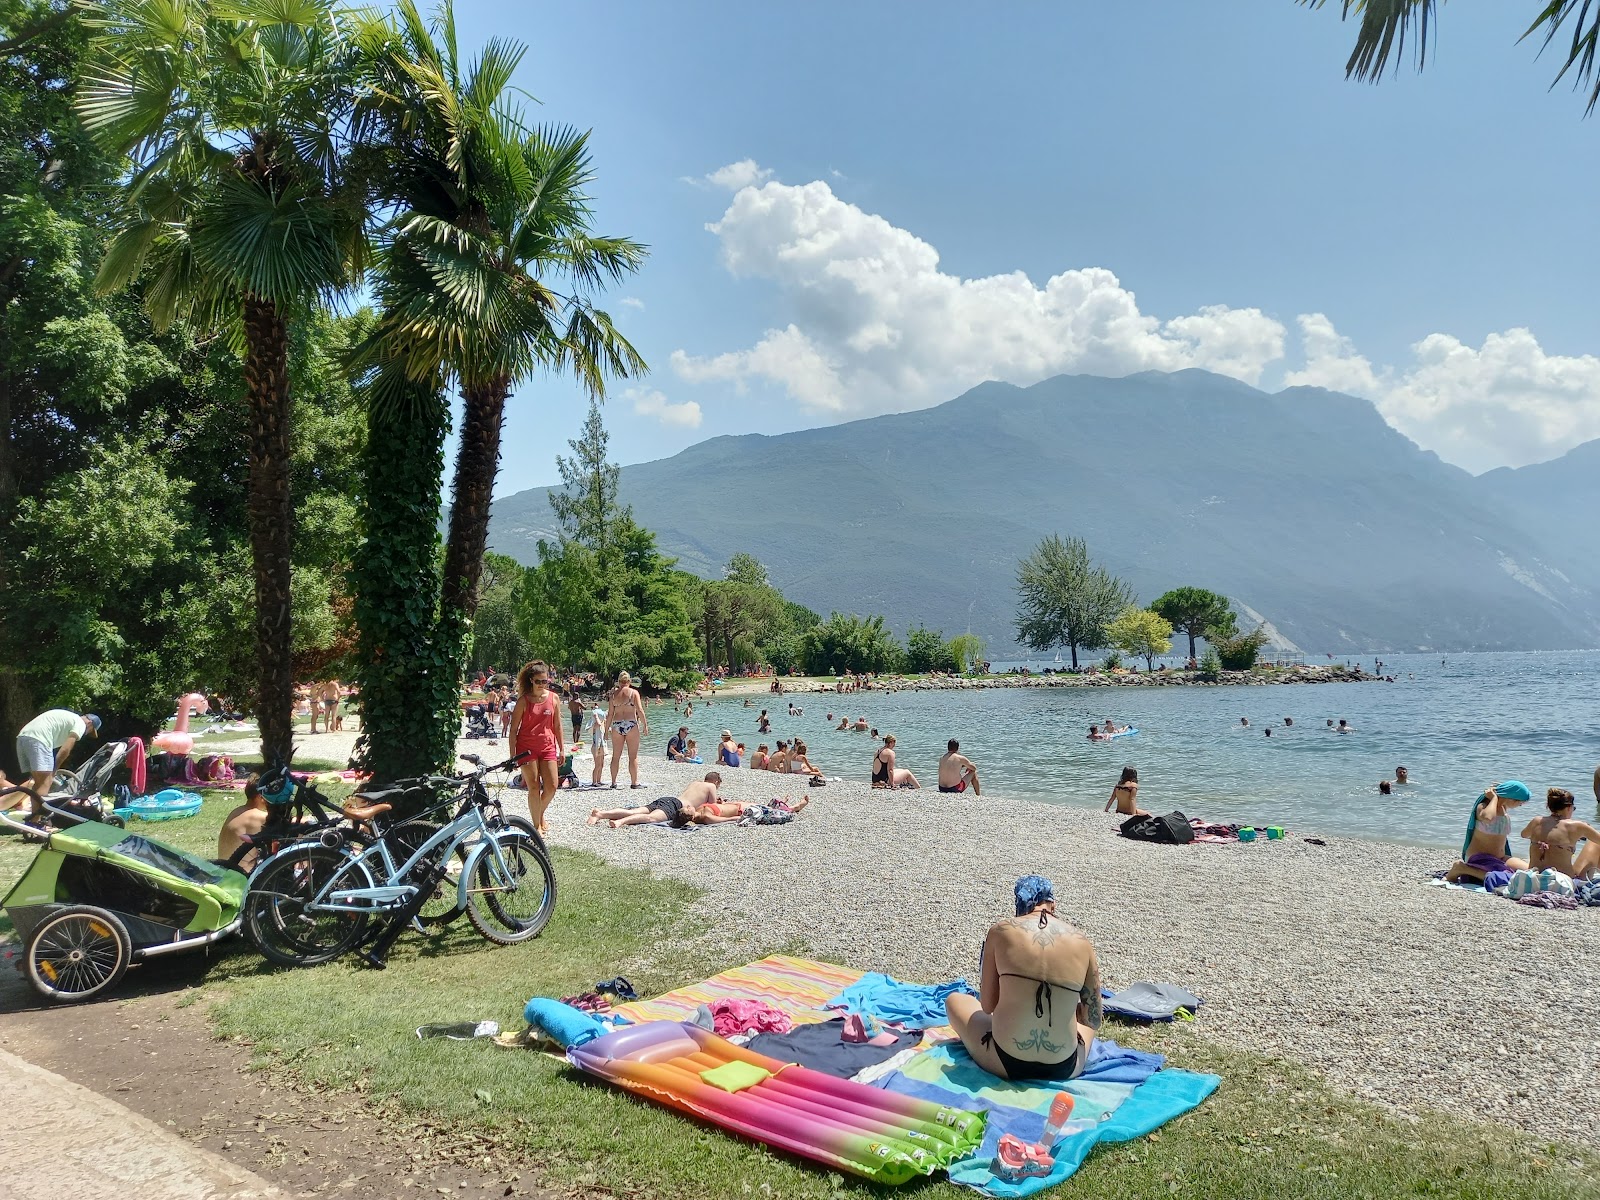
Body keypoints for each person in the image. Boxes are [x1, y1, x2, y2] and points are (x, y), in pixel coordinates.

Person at [946, 876, 1101, 1082]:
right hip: (1064, 1067)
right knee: (1084, 1027)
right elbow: (1094, 1018)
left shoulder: (1000, 931)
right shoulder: (1082, 942)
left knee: (955, 1000)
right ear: (1052, 904)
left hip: (1005, 1060)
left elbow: (987, 1005)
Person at [11, 709, 100, 818]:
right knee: (46, 782)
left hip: (23, 738)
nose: (87, 733)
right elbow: (65, 750)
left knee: (38, 784)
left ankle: (34, 819)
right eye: (90, 731)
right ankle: (37, 821)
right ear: (90, 723)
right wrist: (54, 769)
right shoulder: (80, 724)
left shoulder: (69, 717)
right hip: (39, 739)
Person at [510, 660, 564, 835]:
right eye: (538, 681)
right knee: (533, 786)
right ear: (531, 680)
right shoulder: (523, 701)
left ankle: (539, 814)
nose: (542, 685)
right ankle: (536, 826)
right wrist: (513, 756)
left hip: (548, 747)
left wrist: (561, 748)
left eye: (545, 681)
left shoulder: (554, 698)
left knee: (552, 786)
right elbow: (513, 730)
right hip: (526, 748)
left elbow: (557, 726)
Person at [1444, 782, 1532, 883]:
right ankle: (1461, 868)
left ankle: (1479, 871)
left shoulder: (1503, 808)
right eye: (1520, 801)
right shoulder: (1483, 806)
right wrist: (1494, 798)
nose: (1522, 804)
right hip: (1480, 858)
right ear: (1510, 798)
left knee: (1529, 873)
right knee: (1508, 879)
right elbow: (1488, 818)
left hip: (1500, 857)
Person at [587, 771, 722, 829]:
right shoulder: (711, 786)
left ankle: (600, 814)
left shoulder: (695, 782)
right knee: (651, 818)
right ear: (715, 781)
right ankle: (621, 822)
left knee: (635, 811)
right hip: (676, 806)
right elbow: (712, 807)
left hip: (668, 800)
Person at [1521, 789, 1600, 879]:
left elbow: (1524, 835)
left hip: (1534, 879)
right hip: (1562, 883)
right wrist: (1584, 830)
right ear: (1568, 808)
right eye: (1573, 809)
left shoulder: (1536, 821)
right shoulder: (1577, 826)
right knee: (1594, 843)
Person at [606, 671, 648, 789]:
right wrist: (645, 725)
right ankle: (634, 783)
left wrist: (605, 731)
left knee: (616, 756)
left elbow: (610, 714)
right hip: (631, 723)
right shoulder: (634, 693)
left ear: (619, 682)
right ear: (629, 681)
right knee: (633, 756)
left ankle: (614, 782)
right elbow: (639, 710)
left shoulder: (613, 694)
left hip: (617, 724)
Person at [217, 776, 270, 868]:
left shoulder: (237, 811)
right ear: (260, 797)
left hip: (224, 872)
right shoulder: (257, 816)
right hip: (241, 878)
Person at [587, 705, 608, 787]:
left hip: (602, 745)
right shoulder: (594, 725)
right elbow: (598, 723)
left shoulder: (602, 724)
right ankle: (594, 781)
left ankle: (599, 780)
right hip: (596, 746)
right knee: (597, 764)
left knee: (601, 764)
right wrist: (595, 716)